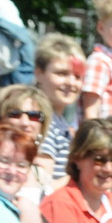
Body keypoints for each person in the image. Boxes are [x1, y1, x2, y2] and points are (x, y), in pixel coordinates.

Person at [32, 34, 83, 175]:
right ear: (39, 73)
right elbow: (44, 185)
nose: (71, 83)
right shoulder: (38, 122)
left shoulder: (59, 122)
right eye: (61, 74)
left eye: (77, 76)